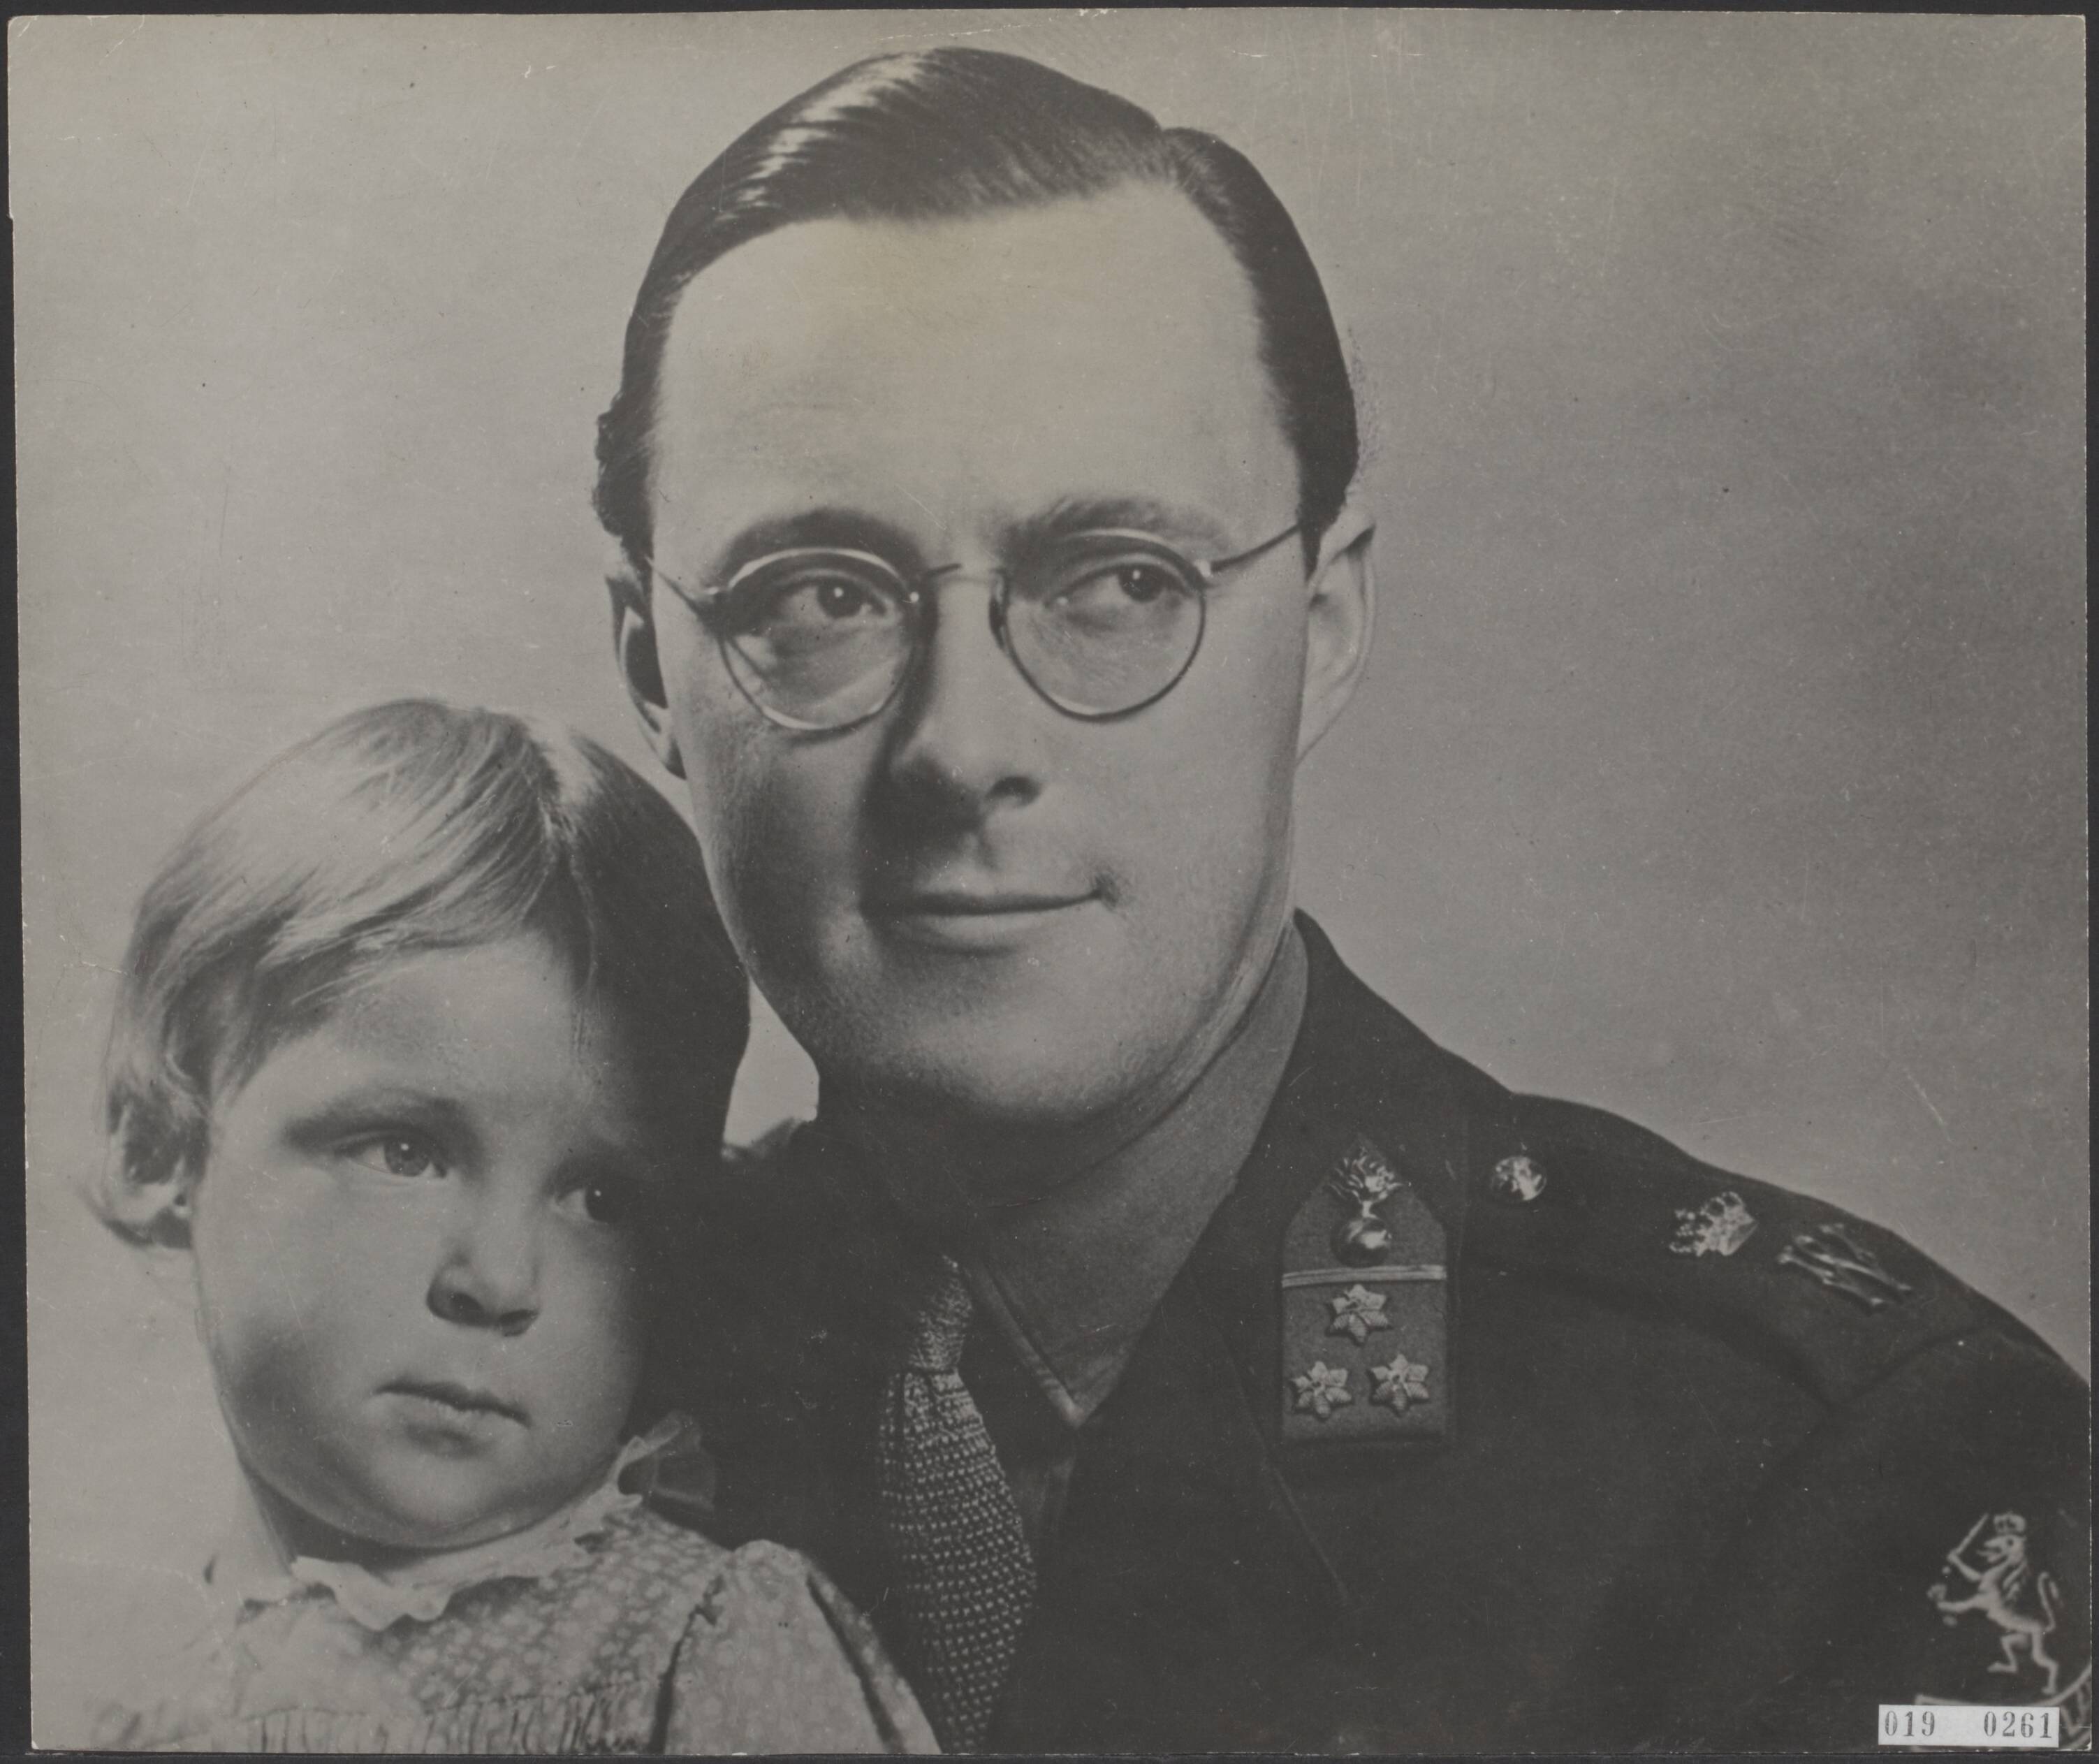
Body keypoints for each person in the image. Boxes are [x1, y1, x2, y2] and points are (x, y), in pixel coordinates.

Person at [598, 47, 2091, 1754]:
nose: (962, 749)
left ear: (1321, 632)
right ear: (649, 669)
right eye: (818, 598)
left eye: (1118, 583)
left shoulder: (1850, 1469)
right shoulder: (526, 1374)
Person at [82, 699, 935, 1754]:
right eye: (405, 1151)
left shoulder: (694, 1648)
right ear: (160, 1149)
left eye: (602, 1200)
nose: (497, 1280)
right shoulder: (123, 1688)